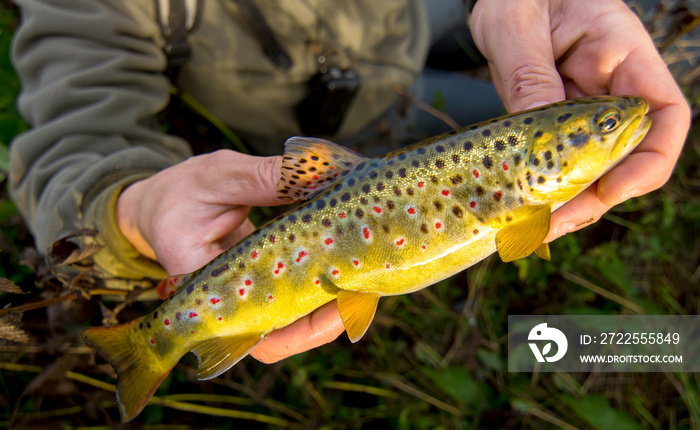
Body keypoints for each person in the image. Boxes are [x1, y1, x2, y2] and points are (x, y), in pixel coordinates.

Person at [9, 0, 690, 366]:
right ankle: (153, 344)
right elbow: (64, 146)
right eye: (596, 131)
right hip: (364, 129)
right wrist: (130, 210)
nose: (617, 126)